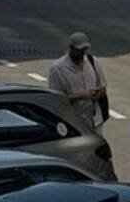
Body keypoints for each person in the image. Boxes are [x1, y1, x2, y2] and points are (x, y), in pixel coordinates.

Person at [47, 33, 115, 174]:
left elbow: (102, 86)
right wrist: (80, 96)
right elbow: (55, 99)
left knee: (99, 158)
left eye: (84, 50)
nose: (82, 53)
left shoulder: (91, 61)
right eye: (79, 50)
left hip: (94, 121)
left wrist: (98, 93)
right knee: (79, 161)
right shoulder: (58, 68)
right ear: (71, 48)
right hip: (73, 123)